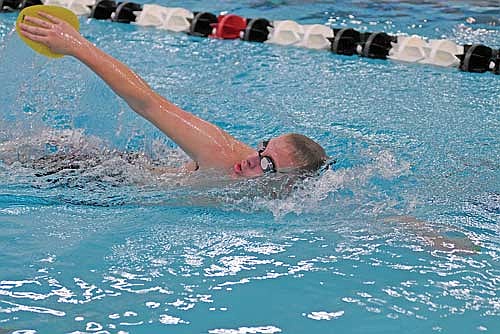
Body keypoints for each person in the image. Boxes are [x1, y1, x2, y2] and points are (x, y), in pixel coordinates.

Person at [18, 12, 328, 179]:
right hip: (98, 177)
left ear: (289, 184)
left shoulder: (285, 200)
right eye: (262, 149)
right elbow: (147, 102)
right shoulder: (220, 153)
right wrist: (77, 46)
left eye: (268, 165)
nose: (251, 160)